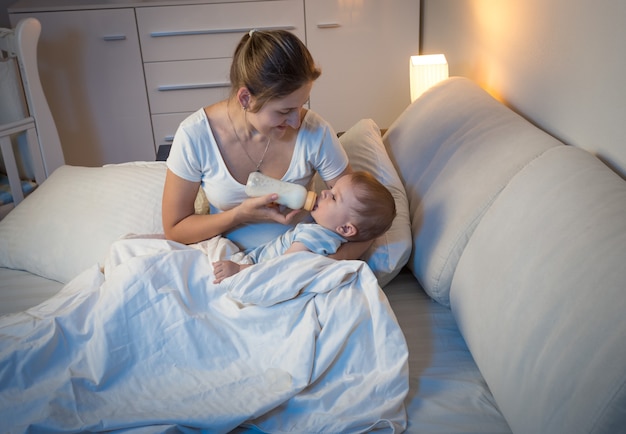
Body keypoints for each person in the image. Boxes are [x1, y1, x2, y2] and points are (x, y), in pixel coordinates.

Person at [162, 29, 371, 259]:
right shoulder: (196, 135)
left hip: (298, 257)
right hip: (227, 262)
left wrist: (309, 271)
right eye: (285, 110)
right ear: (246, 99)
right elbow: (175, 229)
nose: (295, 121)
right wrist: (240, 214)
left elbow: (363, 221)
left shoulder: (315, 131)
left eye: (301, 105)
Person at [212, 171, 396, 283]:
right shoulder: (326, 234)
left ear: (346, 229)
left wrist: (238, 270)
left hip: (254, 268)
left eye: (333, 197)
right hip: (254, 261)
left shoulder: (315, 237)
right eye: (330, 189)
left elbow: (280, 269)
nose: (324, 192)